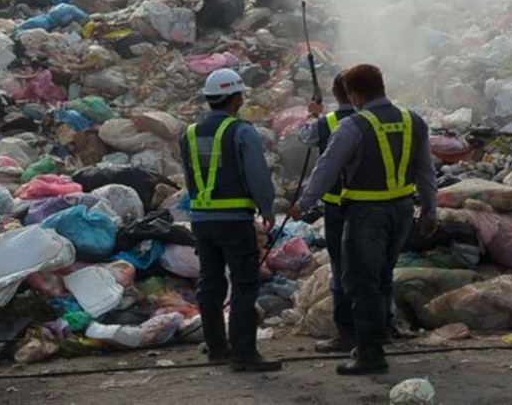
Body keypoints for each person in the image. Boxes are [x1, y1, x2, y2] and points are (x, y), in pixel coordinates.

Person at [290, 64, 437, 375]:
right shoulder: (413, 121)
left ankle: (369, 354)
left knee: (362, 283)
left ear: (354, 95)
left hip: (365, 214)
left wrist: (302, 204)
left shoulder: (353, 126)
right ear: (382, 86)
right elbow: (426, 171)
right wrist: (429, 210)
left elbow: (326, 170)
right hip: (401, 211)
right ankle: (380, 335)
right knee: (383, 277)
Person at [181, 68, 282, 372]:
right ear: (235, 97)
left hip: (201, 221)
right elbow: (257, 175)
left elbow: (189, 178)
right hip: (235, 221)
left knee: (209, 284)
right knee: (244, 284)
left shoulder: (188, 133)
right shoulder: (241, 131)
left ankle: (217, 350)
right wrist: (266, 207)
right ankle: (244, 353)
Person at [293, 72, 358, 353]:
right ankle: (381, 327)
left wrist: (312, 114)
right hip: (373, 206)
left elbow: (304, 138)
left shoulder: (327, 123)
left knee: (342, 270)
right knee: (375, 269)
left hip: (337, 209)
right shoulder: (371, 121)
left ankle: (346, 333)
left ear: (335, 92)